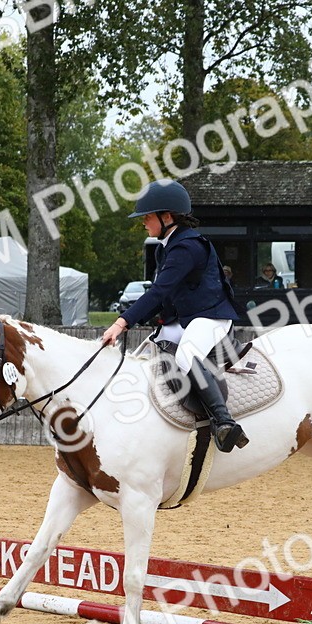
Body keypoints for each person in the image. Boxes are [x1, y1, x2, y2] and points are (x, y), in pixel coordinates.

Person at [101, 180, 246, 452]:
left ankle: (225, 422)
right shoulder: (165, 247)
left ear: (166, 217)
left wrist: (122, 322)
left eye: (147, 217)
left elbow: (157, 292)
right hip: (187, 318)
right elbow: (165, 299)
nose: (144, 222)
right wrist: (147, 323)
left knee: (186, 355)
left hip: (210, 317)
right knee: (147, 351)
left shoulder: (187, 247)